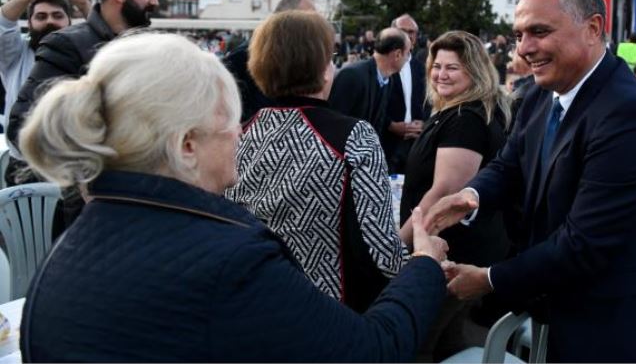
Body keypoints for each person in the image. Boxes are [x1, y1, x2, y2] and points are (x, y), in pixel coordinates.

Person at [18, 32, 448, 362]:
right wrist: (425, 265)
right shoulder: (230, 261)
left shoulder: (67, 248)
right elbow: (372, 351)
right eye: (228, 119)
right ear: (186, 144)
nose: (238, 134)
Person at [422, 0, 636, 362]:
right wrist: (470, 197)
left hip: (625, 329)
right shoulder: (539, 95)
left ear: (592, 28)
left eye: (539, 31)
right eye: (519, 34)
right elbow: (509, 165)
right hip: (566, 308)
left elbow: (584, 245)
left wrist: (488, 279)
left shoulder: (630, 116)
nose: (522, 49)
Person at [226, 11, 405, 312]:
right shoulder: (355, 137)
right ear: (324, 68)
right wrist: (426, 260)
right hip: (325, 313)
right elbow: (383, 252)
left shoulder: (238, 135)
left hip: (251, 301)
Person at [398, 31, 512, 360]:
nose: (440, 74)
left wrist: (400, 241)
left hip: (451, 253)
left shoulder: (465, 120)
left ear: (474, 72)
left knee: (418, 343)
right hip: (459, 251)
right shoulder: (461, 111)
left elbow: (447, 191)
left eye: (453, 68)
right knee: (445, 342)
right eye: (437, 66)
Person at [7, 0, 157, 153]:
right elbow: (23, 129)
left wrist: (81, 1)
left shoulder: (147, 48)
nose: (154, 1)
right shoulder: (59, 47)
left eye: (58, 15)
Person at [0, 0, 90, 184]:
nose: (49, 21)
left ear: (70, 22)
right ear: (29, 23)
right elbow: (2, 23)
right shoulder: (14, 53)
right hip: (24, 163)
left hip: (71, 163)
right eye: (41, 16)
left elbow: (110, 35)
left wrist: (81, 0)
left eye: (57, 15)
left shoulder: (83, 52)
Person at [222, 0, 315, 124]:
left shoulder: (303, 58)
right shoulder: (240, 60)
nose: (317, 24)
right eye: (311, 17)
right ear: (288, 19)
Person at [328, 28, 410, 149]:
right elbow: (333, 123)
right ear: (397, 54)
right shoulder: (352, 76)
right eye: (408, 53)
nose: (408, 58)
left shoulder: (389, 80)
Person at [385, 14, 429, 174]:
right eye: (403, 31)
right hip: (386, 143)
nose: (408, 36)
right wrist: (391, 125)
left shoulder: (421, 68)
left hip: (415, 144)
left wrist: (424, 124)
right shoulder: (381, 65)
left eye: (412, 32)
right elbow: (372, 104)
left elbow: (429, 102)